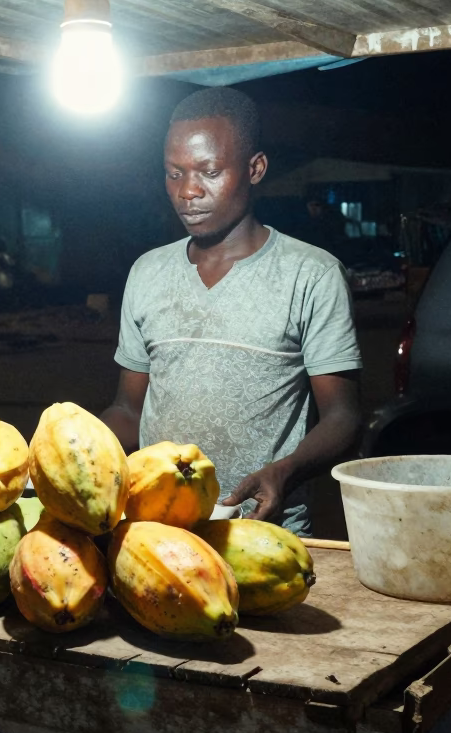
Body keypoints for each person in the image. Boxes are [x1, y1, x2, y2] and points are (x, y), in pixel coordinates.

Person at [101, 87, 362, 536]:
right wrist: (58, 451)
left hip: (264, 532)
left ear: (255, 168)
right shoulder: (147, 273)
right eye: (173, 173)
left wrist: (286, 471)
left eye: (209, 171)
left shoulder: (311, 275)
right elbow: (128, 410)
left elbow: (343, 417)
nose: (188, 191)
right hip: (157, 529)